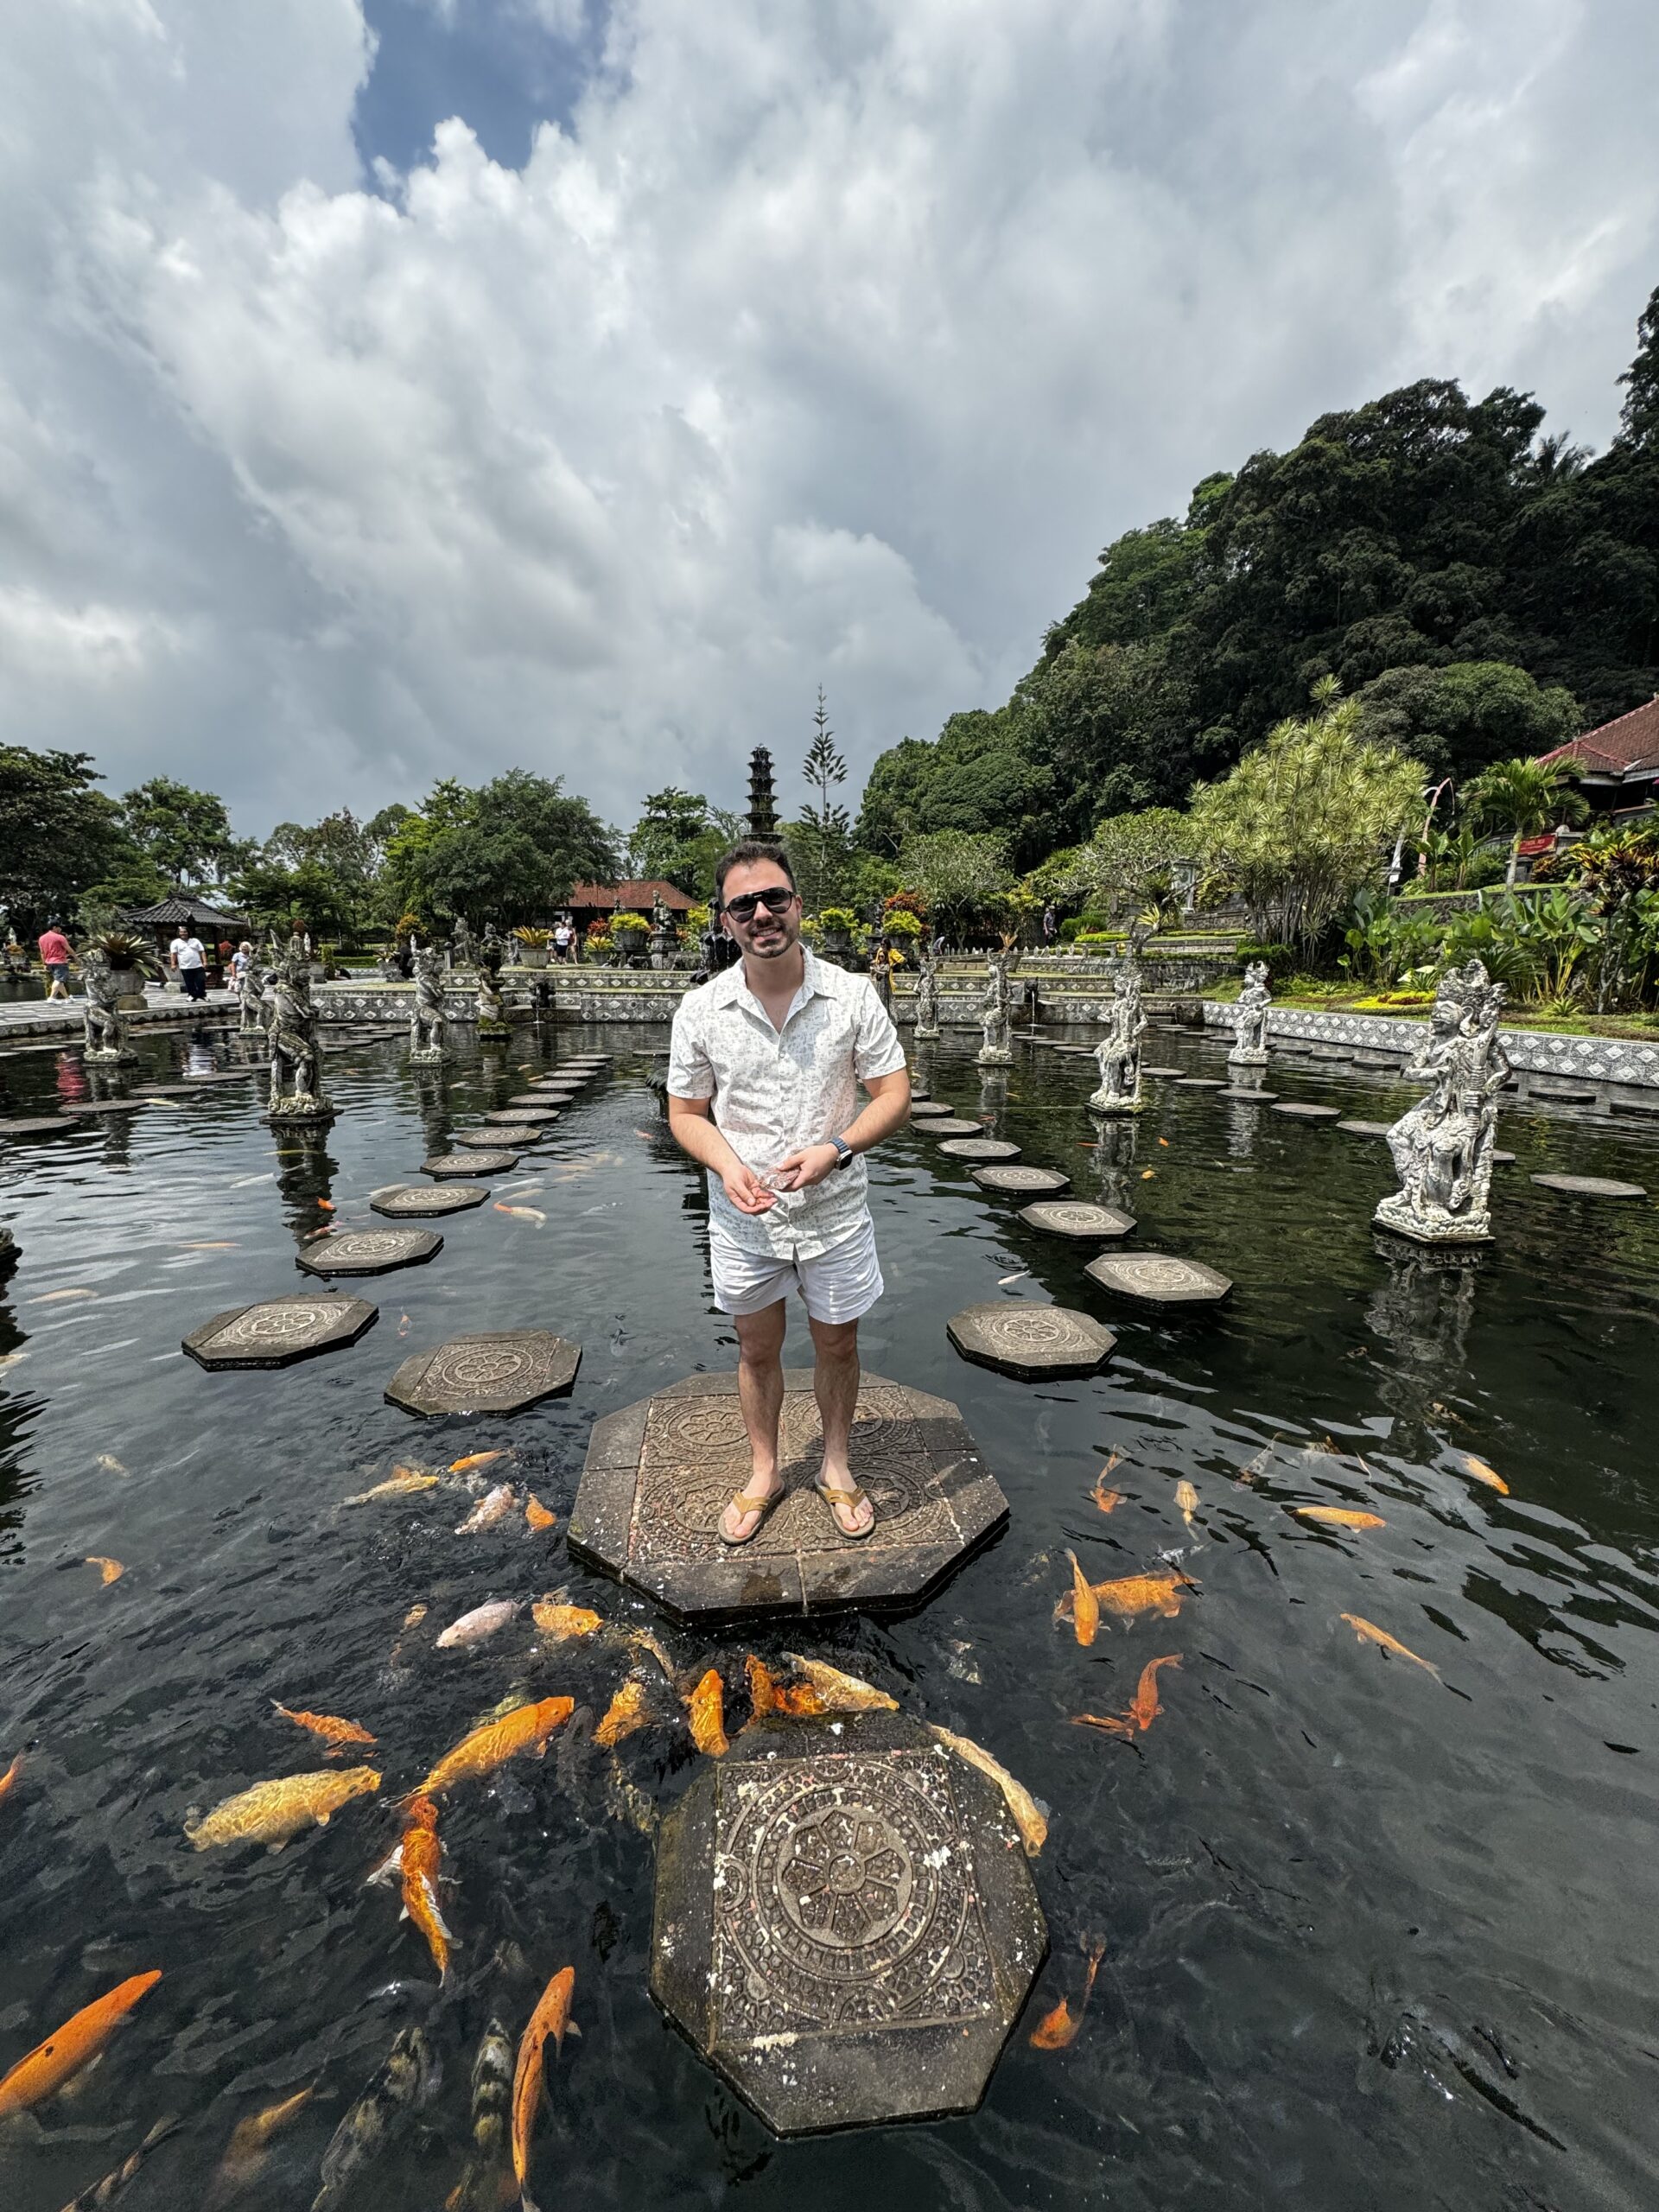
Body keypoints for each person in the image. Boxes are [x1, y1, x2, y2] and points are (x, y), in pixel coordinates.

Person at [666, 841, 911, 1546]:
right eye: (744, 905)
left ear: (798, 905)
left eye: (774, 898)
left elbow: (894, 1095)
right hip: (746, 1218)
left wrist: (838, 1148)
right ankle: (765, 1470)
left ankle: (836, 1466)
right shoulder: (702, 1010)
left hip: (835, 1213)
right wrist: (726, 1165)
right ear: (725, 919)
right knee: (755, 1348)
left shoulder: (853, 996)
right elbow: (685, 1113)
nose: (761, 913)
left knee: (837, 1344)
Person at [169, 917, 208, 1001]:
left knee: (200, 981)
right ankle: (192, 995)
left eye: (185, 932)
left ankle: (202, 995)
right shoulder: (175, 942)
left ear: (188, 932)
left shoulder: (195, 941)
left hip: (198, 965)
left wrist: (205, 962)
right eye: (181, 932)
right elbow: (173, 954)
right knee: (189, 982)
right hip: (185, 966)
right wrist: (173, 964)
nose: (183, 933)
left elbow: (202, 951)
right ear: (179, 933)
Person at [38, 920, 74, 1001]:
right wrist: (76, 957)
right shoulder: (60, 937)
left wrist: (44, 964)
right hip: (60, 962)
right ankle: (51, 998)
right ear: (54, 927)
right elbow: (68, 949)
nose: (60, 929)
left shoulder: (42, 938)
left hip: (49, 962)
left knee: (59, 981)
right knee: (59, 980)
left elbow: (42, 952)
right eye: (59, 927)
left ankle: (67, 998)